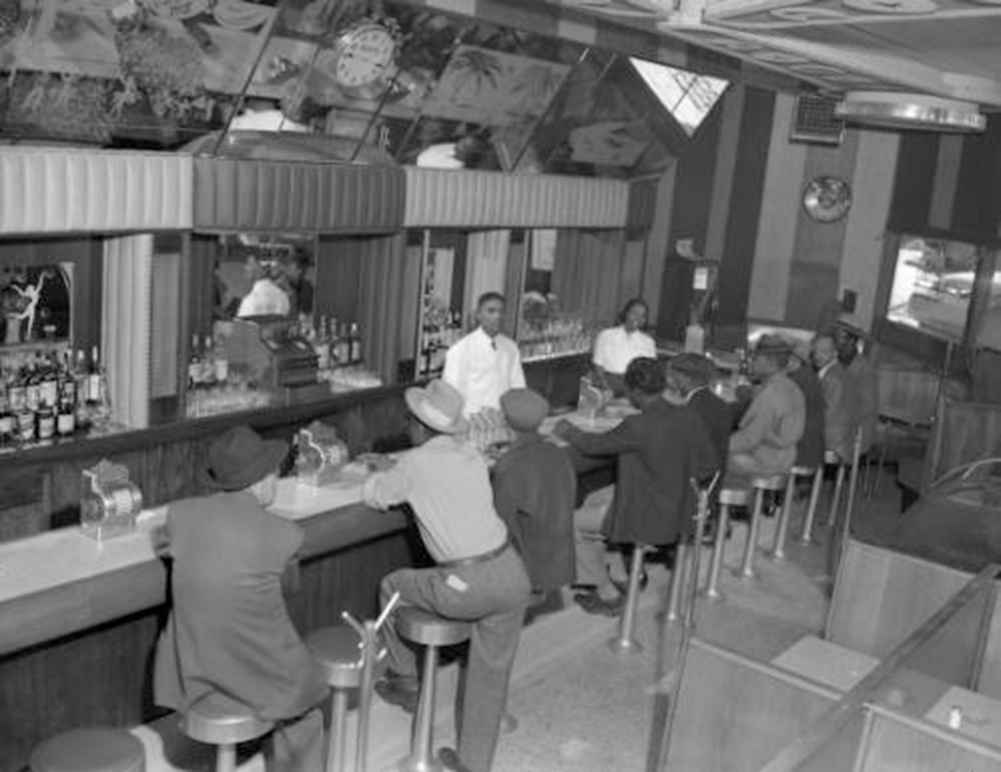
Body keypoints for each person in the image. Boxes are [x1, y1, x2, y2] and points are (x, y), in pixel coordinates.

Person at [363, 379, 531, 772]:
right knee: (490, 675)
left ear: (421, 429)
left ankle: (405, 678)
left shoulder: (416, 463)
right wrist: (399, 467)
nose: (408, 425)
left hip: (463, 583)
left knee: (392, 586)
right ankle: (473, 764)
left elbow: (376, 495)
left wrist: (381, 474)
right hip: (512, 572)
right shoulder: (470, 453)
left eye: (410, 421)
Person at [153, 426, 326, 772]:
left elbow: (163, 542)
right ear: (260, 479)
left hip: (193, 671)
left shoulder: (180, 515)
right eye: (275, 471)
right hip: (252, 670)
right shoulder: (285, 534)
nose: (277, 478)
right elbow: (289, 587)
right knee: (308, 713)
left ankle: (251, 739)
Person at [554, 358, 718, 616]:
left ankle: (607, 593)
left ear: (636, 392)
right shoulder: (689, 416)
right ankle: (618, 572)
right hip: (683, 508)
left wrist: (568, 430)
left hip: (650, 514)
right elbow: (709, 465)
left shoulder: (638, 425)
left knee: (570, 521)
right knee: (595, 498)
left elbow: (593, 445)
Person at [492, 388, 577, 597]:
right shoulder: (558, 452)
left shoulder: (510, 466)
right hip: (557, 557)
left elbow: (499, 523)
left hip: (527, 566)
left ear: (505, 420)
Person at [728, 336, 806, 478]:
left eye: (755, 358)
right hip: (785, 457)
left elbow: (749, 439)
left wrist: (717, 444)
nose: (751, 362)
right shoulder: (792, 387)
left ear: (769, 362)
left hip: (766, 461)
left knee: (707, 458)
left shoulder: (771, 394)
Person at [443, 292, 525, 418]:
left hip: (502, 420)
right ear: (478, 315)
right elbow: (451, 393)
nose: (497, 316)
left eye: (501, 312)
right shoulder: (460, 350)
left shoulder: (511, 348)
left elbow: (518, 387)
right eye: (491, 311)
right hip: (472, 422)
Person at [665, 353, 730, 469]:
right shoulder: (716, 403)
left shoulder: (693, 408)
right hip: (711, 474)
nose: (668, 380)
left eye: (672, 375)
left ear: (685, 378)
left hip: (694, 476)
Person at [591, 298, 656, 396]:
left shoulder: (649, 342)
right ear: (626, 313)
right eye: (634, 313)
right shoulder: (606, 335)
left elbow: (649, 372)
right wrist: (605, 388)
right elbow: (598, 365)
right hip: (607, 383)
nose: (637, 318)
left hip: (634, 389)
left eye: (642, 316)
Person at [834, 320, 877, 453]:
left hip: (852, 437)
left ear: (852, 341)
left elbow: (867, 407)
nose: (834, 341)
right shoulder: (836, 362)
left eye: (839, 337)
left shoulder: (864, 370)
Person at [813, 333, 853, 461]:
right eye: (815, 352)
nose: (817, 356)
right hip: (836, 439)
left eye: (824, 352)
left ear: (835, 353)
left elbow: (826, 413)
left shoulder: (833, 377)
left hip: (830, 443)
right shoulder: (835, 371)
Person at [787, 340, 826, 470]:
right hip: (811, 450)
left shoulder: (798, 380)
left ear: (794, 360)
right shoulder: (809, 376)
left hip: (800, 451)